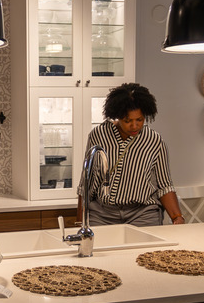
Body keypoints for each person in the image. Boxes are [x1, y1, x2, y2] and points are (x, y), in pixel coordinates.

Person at [79, 82, 185, 226]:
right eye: (127, 121)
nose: (134, 126)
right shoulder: (98, 135)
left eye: (139, 120)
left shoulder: (154, 140)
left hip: (143, 214)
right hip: (103, 214)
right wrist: (80, 223)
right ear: (117, 116)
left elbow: (164, 185)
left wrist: (177, 217)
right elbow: (86, 183)